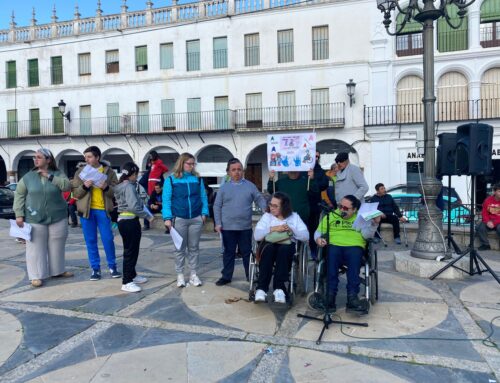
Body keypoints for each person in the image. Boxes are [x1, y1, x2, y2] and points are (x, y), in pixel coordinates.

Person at [13, 148, 73, 287]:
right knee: (35, 247)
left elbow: (66, 187)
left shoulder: (58, 174)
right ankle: (35, 276)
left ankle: (58, 271)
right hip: (34, 217)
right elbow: (19, 195)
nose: (36, 159)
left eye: (39, 157)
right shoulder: (28, 177)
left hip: (58, 216)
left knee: (57, 245)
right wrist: (19, 215)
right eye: (35, 157)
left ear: (48, 159)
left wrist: (49, 176)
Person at [315, 195, 380, 312]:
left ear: (354, 209)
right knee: (331, 256)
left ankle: (352, 298)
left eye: (346, 208)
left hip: (354, 246)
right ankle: (330, 298)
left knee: (354, 258)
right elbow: (318, 232)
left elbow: (366, 235)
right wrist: (318, 239)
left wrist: (374, 224)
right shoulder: (331, 215)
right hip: (334, 245)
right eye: (340, 206)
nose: (341, 210)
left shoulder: (361, 218)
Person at [214, 158, 268, 286]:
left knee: (247, 253)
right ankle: (226, 276)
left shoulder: (250, 186)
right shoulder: (223, 188)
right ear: (228, 172)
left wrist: (266, 209)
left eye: (239, 169)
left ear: (243, 171)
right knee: (228, 253)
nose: (237, 172)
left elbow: (259, 199)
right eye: (233, 170)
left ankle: (250, 275)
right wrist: (217, 223)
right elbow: (217, 206)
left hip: (245, 227)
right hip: (227, 227)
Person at [71, 146, 121, 281]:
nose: (86, 159)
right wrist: (84, 186)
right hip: (86, 211)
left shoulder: (109, 172)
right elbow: (75, 193)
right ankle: (95, 269)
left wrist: (106, 187)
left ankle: (112, 266)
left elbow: (116, 192)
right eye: (85, 157)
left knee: (108, 239)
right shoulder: (80, 172)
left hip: (103, 210)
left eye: (89, 157)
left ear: (97, 157)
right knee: (90, 241)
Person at [162, 153, 209, 288]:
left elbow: (203, 197)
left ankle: (193, 274)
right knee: (179, 248)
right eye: (189, 163)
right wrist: (167, 218)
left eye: (193, 164)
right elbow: (166, 200)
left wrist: (204, 213)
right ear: (182, 163)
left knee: (194, 248)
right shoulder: (171, 180)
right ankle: (180, 275)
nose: (192, 166)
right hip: (179, 218)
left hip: (196, 218)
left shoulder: (197, 179)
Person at [253, 192, 309, 303]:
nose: (271, 208)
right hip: (269, 243)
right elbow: (257, 236)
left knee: (284, 250)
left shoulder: (294, 217)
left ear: (284, 206)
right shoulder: (266, 217)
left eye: (275, 206)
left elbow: (306, 236)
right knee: (268, 250)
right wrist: (273, 229)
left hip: (286, 245)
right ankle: (261, 288)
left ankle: (279, 288)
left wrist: (291, 229)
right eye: (270, 204)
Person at [114, 162, 152, 293]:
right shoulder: (129, 187)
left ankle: (132, 275)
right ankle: (127, 281)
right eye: (136, 175)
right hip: (130, 221)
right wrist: (147, 216)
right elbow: (133, 207)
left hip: (125, 220)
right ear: (132, 174)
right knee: (130, 252)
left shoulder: (121, 186)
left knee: (131, 250)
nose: (136, 177)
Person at [307, 151, 329, 259]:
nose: (315, 158)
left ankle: (313, 250)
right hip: (302, 204)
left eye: (317, 156)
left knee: (313, 229)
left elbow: (324, 185)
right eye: (314, 156)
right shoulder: (301, 169)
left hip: (314, 205)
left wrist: (313, 179)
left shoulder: (319, 171)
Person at [476, 183, 500, 251]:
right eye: (499, 191)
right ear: (495, 192)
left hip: (498, 221)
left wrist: (494, 223)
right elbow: (484, 213)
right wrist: (487, 221)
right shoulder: (488, 200)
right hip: (490, 221)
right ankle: (485, 244)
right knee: (479, 227)